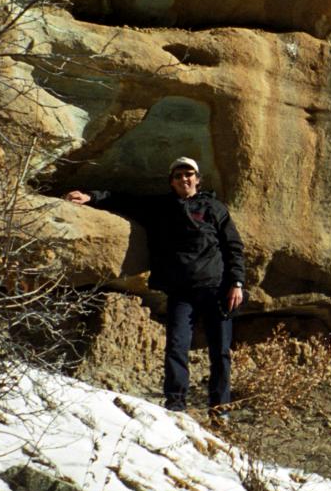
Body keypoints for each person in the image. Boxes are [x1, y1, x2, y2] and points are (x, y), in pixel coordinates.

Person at [65, 157, 248, 412]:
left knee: (220, 352)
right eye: (178, 176)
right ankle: (175, 405)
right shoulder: (161, 207)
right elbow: (123, 200)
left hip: (215, 289)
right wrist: (91, 197)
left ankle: (220, 410)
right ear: (171, 182)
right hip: (180, 292)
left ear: (198, 179)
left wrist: (236, 283)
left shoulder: (214, 208)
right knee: (176, 347)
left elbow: (233, 247)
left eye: (189, 174)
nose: (184, 179)